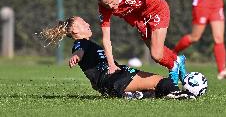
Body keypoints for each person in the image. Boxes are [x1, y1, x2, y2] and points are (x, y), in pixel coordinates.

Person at [73, 0, 187, 85]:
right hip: (141, 19)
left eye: (112, 2)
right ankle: (177, 60)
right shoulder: (104, 8)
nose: (111, 7)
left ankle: (173, 66)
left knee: (156, 54)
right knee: (156, 52)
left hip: (157, 9)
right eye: (107, 5)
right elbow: (106, 38)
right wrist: (111, 65)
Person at [38, 16, 195, 99]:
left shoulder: (87, 43)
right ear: (75, 30)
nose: (88, 24)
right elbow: (79, 51)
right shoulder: (81, 43)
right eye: (83, 23)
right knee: (162, 82)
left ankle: (135, 96)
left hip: (113, 81)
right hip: (115, 78)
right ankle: (182, 94)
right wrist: (76, 57)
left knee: (154, 89)